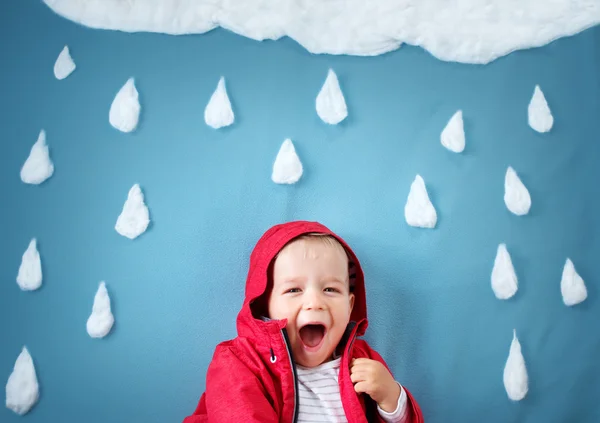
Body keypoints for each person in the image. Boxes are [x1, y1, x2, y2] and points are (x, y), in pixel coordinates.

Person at [183, 220, 423, 422]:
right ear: (265, 303)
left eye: (330, 289)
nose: (314, 302)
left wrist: (392, 398)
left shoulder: (362, 360)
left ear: (350, 306)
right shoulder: (240, 362)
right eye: (294, 290)